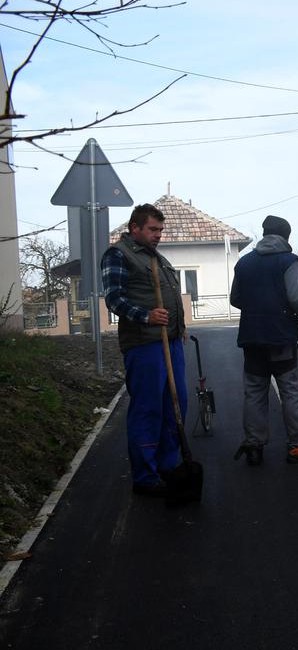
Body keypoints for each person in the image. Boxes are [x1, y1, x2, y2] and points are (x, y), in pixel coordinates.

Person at [229, 215, 298, 464]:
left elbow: (235, 299)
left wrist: (257, 307)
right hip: (280, 339)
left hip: (252, 339)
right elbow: (297, 299)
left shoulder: (244, 263)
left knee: (254, 392)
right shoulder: (289, 261)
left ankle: (254, 446)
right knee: (289, 390)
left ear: (265, 235)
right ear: (286, 236)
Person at [101, 203, 186, 497]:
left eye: (160, 230)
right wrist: (146, 315)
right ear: (134, 228)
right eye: (153, 229)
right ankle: (145, 477)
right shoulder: (119, 255)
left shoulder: (156, 258)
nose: (158, 235)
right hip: (145, 345)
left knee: (176, 405)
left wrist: (180, 328)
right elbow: (114, 299)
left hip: (170, 342)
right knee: (148, 409)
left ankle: (168, 465)